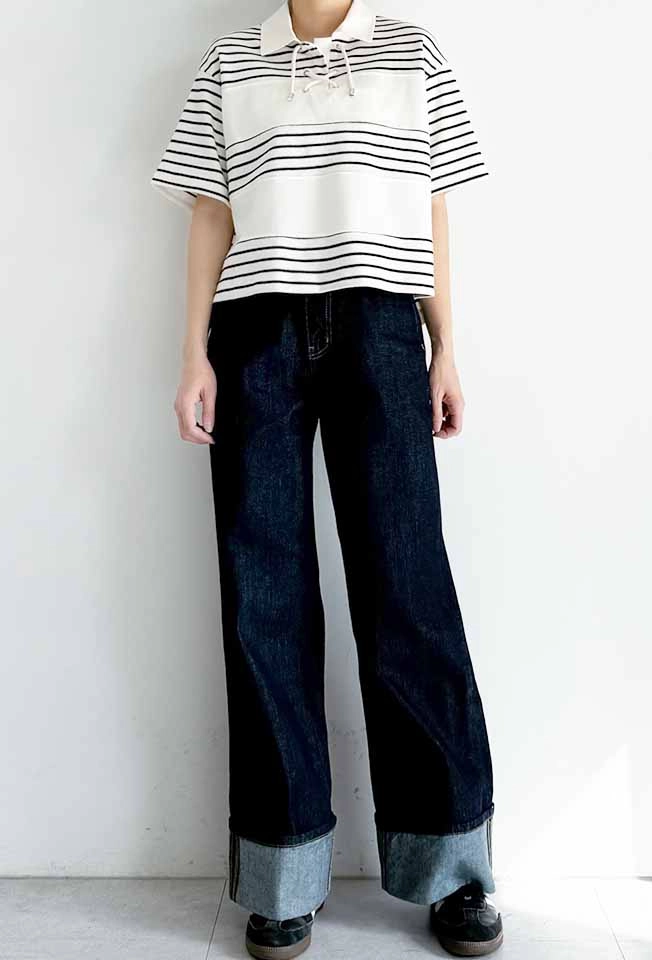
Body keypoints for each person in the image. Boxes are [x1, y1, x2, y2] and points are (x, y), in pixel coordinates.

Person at [151, 0, 502, 956]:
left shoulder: (411, 50)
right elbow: (211, 211)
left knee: (407, 589)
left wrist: (445, 344)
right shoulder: (230, 62)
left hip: (382, 325)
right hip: (256, 330)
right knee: (262, 600)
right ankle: (283, 872)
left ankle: (453, 867)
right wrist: (193, 354)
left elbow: (432, 202)